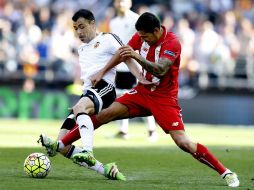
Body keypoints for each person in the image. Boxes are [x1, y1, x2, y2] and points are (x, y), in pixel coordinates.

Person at [41, 12, 240, 187]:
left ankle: (226, 172)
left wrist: (137, 57)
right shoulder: (141, 36)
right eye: (140, 37)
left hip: (164, 98)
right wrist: (102, 72)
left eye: (145, 36)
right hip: (142, 93)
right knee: (104, 114)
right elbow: (122, 53)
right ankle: (59, 144)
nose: (142, 40)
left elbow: (160, 68)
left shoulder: (172, 43)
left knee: (183, 143)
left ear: (156, 30)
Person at [38, 9, 149, 181]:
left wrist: (141, 78)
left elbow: (127, 56)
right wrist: (82, 100)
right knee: (62, 146)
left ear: (92, 23)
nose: (79, 32)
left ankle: (88, 151)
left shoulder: (107, 38)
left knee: (79, 109)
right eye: (76, 28)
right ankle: (104, 170)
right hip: (88, 93)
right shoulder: (81, 49)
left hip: (105, 89)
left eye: (82, 26)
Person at [110, 0, 158, 141]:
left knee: (141, 97)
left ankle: (152, 130)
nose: (120, 4)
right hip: (120, 65)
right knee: (121, 98)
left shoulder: (136, 19)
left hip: (134, 65)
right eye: (118, 1)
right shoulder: (113, 22)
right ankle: (123, 130)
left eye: (123, 1)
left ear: (129, 3)